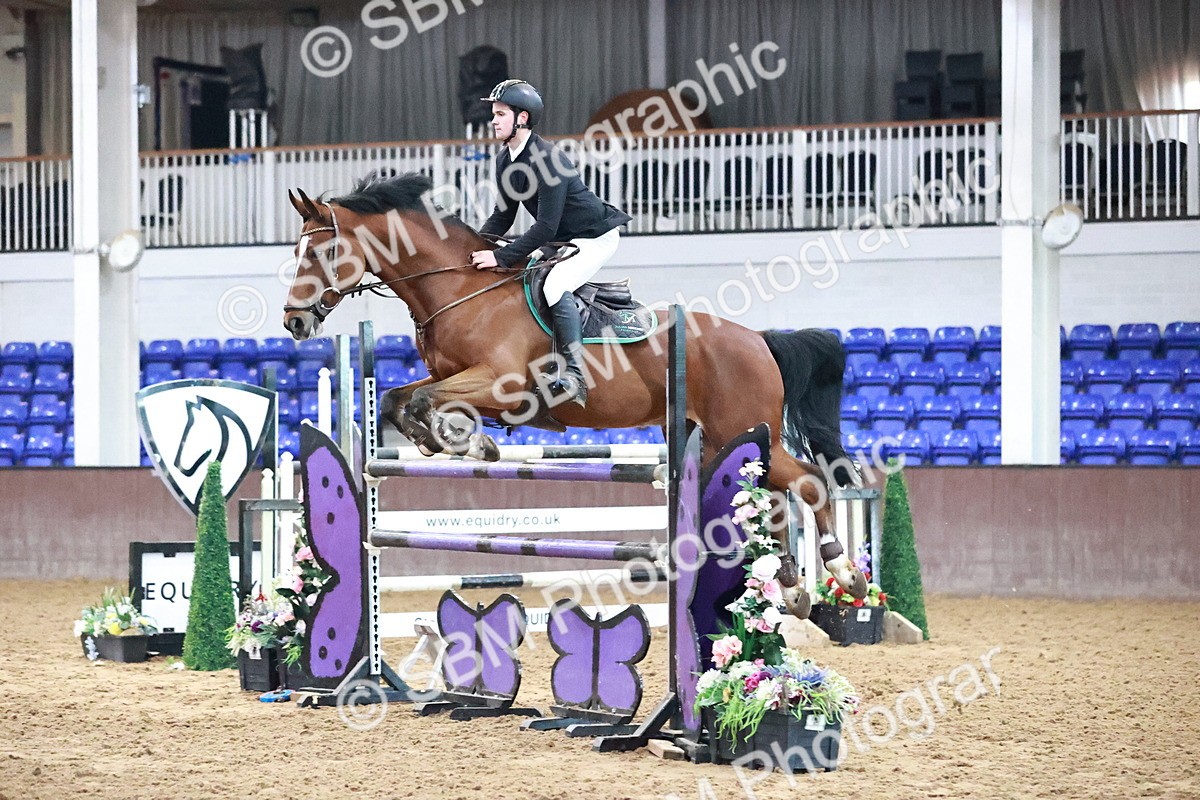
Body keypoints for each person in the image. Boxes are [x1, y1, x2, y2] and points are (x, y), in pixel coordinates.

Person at [470, 79, 631, 408]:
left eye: (500, 114)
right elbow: (503, 217)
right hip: (563, 238)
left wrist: (499, 256)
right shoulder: (505, 160)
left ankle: (574, 374)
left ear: (522, 118)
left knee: (555, 285)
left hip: (594, 237)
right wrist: (473, 247)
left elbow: (545, 226)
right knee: (523, 279)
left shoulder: (548, 159)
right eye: (494, 114)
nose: (494, 120)